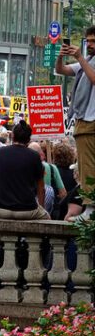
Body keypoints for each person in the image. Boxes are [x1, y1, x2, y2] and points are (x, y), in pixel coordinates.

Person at [56, 30, 95, 219]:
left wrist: (80, 58)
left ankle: (90, 208)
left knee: (88, 167)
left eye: (94, 41)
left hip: (90, 121)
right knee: (86, 166)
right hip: (85, 120)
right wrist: (60, 57)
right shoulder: (86, 61)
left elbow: (94, 79)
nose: (91, 45)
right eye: (88, 41)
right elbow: (60, 70)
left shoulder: (85, 62)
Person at [0, 122, 49, 220]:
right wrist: (41, 207)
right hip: (27, 210)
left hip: (2, 209)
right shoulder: (34, 156)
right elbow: (41, 188)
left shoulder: (0, 152)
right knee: (47, 219)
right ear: (29, 138)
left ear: (13, 136)